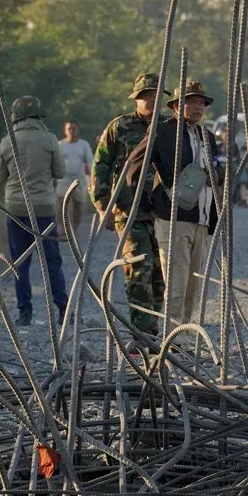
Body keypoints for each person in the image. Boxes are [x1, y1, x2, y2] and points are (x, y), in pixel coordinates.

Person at [91, 71, 166, 337]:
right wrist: (103, 206)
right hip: (129, 211)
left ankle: (153, 333)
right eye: (146, 96)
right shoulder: (119, 127)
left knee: (161, 276)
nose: (151, 100)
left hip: (162, 212)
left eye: (156, 96)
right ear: (136, 99)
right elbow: (101, 166)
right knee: (138, 271)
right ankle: (141, 334)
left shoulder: (168, 127)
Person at [148, 80, 221, 325]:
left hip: (201, 218)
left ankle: (186, 337)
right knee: (176, 284)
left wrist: (214, 175)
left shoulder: (207, 136)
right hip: (174, 218)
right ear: (177, 106)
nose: (198, 107)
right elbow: (140, 165)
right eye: (191, 102)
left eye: (201, 103)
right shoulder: (163, 131)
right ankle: (172, 338)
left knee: (193, 286)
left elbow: (216, 169)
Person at [0, 95, 68, 328]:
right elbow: (60, 172)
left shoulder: (7, 141)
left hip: (16, 209)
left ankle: (24, 311)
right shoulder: (49, 139)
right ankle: (63, 309)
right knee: (52, 261)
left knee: (20, 263)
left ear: (16, 117)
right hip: (44, 208)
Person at [56, 119, 94, 239]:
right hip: (64, 178)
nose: (71, 131)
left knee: (78, 204)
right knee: (62, 204)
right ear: (65, 131)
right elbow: (55, 162)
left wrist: (93, 177)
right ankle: (63, 228)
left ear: (77, 130)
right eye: (69, 129)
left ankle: (75, 229)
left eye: (73, 128)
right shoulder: (60, 144)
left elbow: (90, 161)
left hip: (79, 179)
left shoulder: (84, 144)